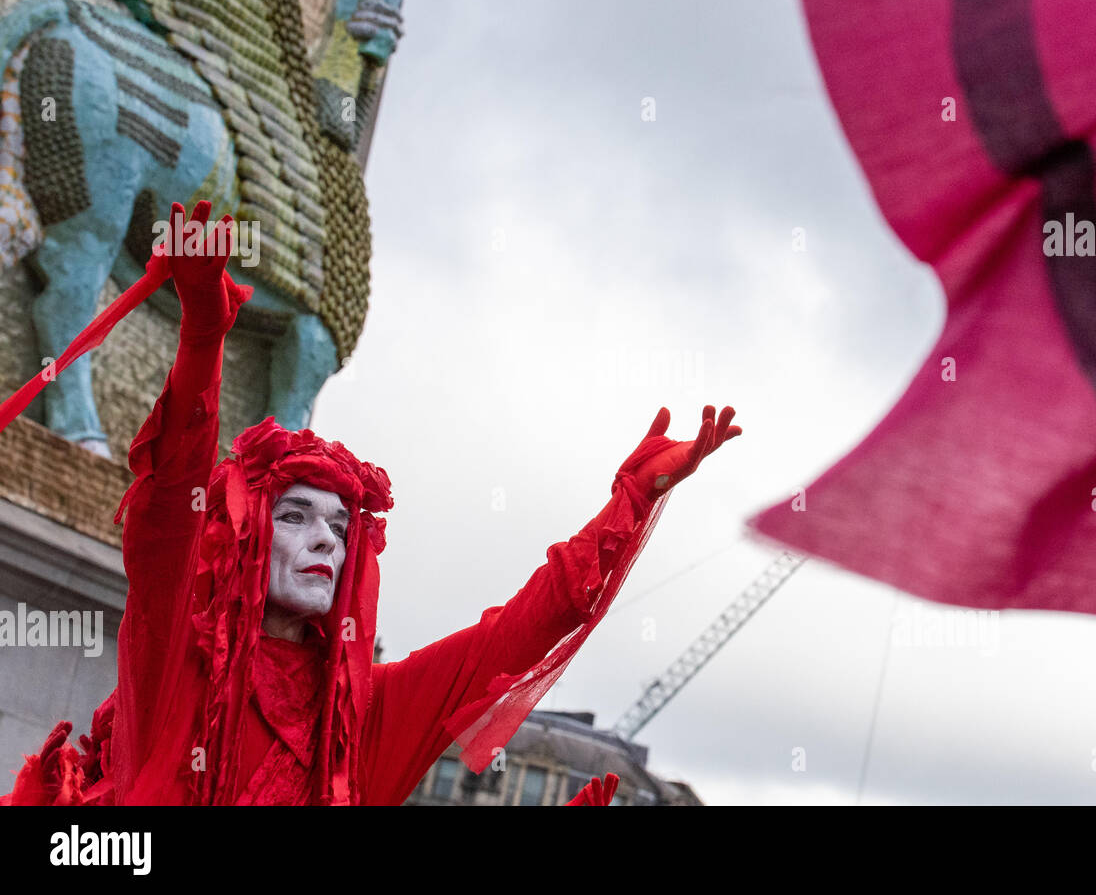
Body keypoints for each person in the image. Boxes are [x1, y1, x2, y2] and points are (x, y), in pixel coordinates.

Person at [1, 202, 741, 805]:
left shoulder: (364, 715)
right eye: (295, 515)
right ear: (244, 535)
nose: (327, 539)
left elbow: (519, 630)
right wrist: (202, 336)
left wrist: (632, 500)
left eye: (340, 524)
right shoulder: (175, 665)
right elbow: (167, 515)